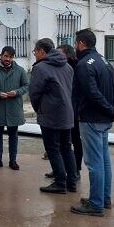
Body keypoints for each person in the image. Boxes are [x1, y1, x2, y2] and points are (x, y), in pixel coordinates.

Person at [70, 29, 114, 217]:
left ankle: (96, 204)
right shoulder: (104, 62)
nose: (74, 47)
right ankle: (104, 198)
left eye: (75, 43)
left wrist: (112, 111)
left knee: (94, 162)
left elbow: (92, 93)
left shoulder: (83, 65)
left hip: (91, 119)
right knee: (104, 161)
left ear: (80, 43)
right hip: (103, 119)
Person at [29, 38, 77, 194]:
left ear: (42, 51)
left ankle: (60, 182)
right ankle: (72, 181)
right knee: (66, 148)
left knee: (53, 149)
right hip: (67, 112)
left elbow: (34, 93)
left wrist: (39, 109)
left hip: (51, 113)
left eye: (35, 51)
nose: (34, 54)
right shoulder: (67, 66)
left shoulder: (41, 68)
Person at [0, 46, 29, 170]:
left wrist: (17, 92)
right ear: (1, 55)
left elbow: (26, 86)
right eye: (6, 56)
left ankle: (13, 161)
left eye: (11, 57)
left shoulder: (20, 70)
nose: (8, 59)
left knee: (13, 135)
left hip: (14, 107)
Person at [44, 44, 82, 181]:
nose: (56, 55)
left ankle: (75, 171)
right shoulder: (58, 66)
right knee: (61, 143)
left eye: (59, 53)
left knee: (74, 142)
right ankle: (59, 170)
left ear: (67, 54)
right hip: (64, 110)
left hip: (74, 110)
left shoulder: (76, 67)